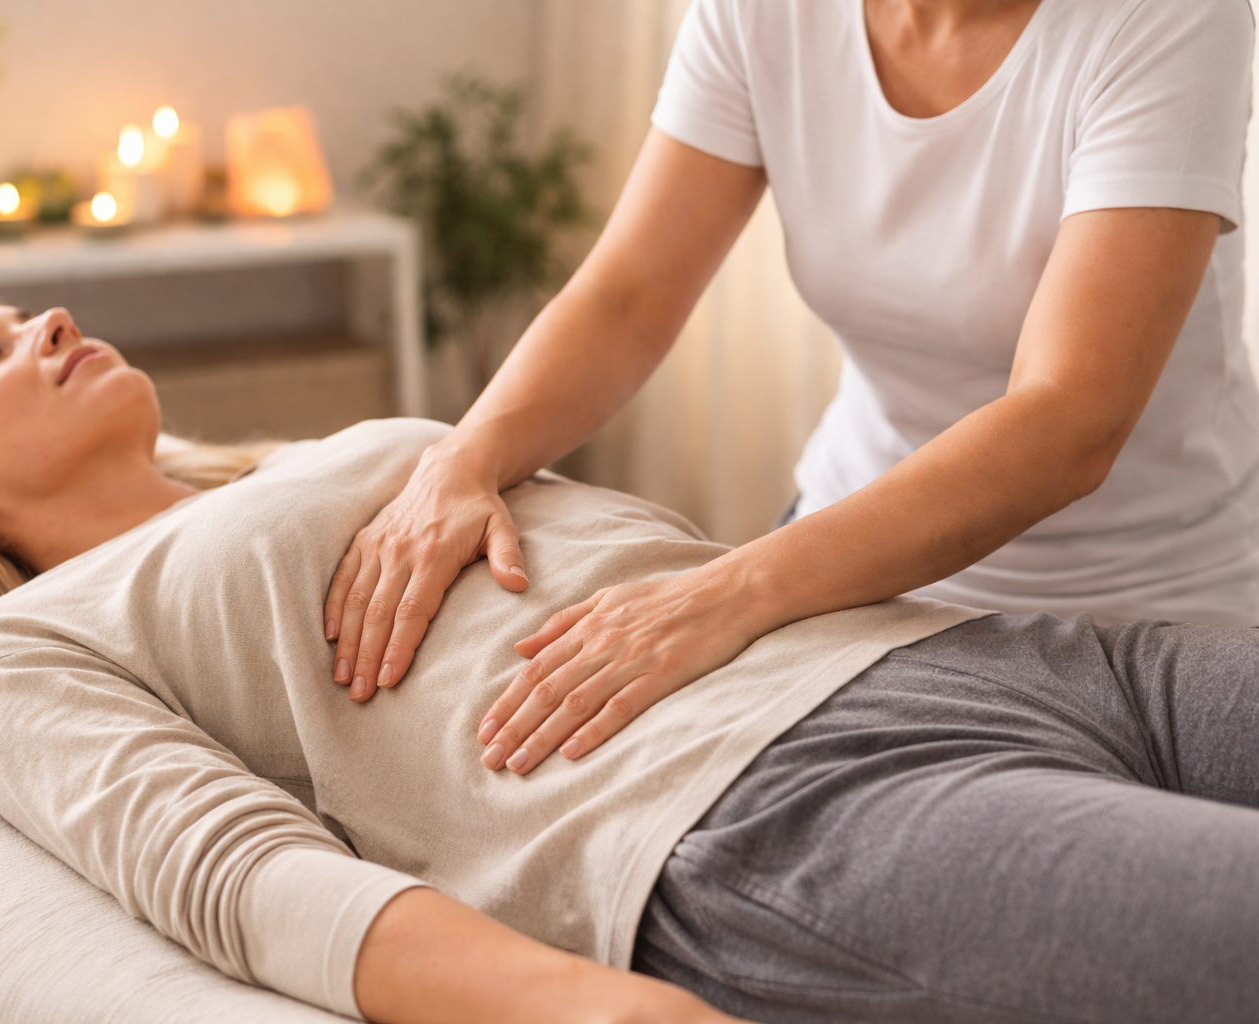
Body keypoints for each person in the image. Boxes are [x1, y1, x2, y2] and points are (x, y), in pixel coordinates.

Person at [0, 292, 1259, 1023]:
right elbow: (235, 874)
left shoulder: (302, 459)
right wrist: (591, 1007)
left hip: (954, 647)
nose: (44, 321)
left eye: (19, 316)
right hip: (769, 808)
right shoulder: (18, 648)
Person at [323, 0, 1259, 780]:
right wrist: (463, 456)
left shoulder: (1169, 18)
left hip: (1145, 612)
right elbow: (627, 300)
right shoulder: (764, 12)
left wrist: (728, 590)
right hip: (851, 580)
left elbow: (1069, 419)